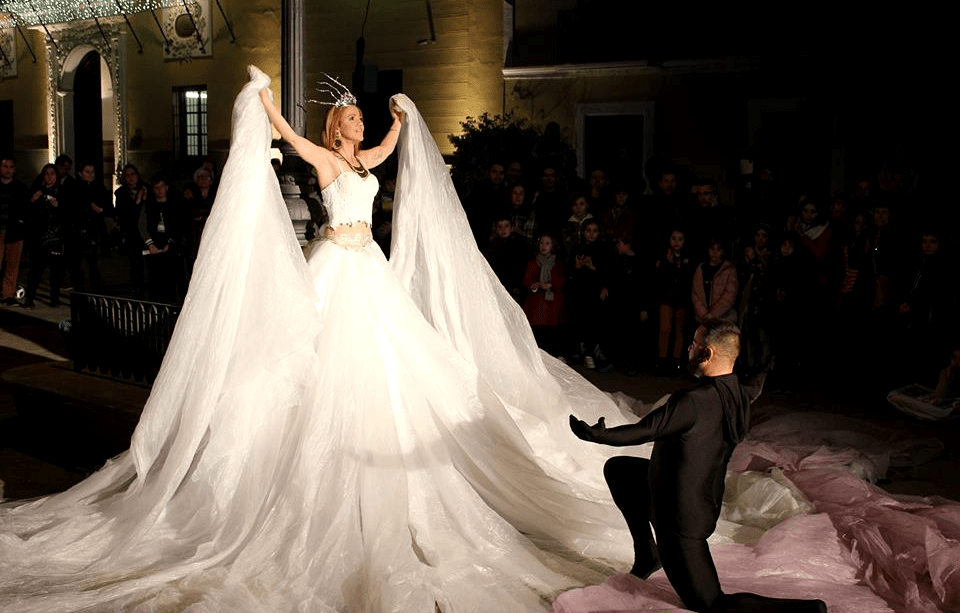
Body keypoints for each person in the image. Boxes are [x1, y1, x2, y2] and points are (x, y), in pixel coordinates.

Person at [1, 66, 645, 612]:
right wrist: (268, 108)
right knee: (321, 366)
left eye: (364, 122)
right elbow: (286, 138)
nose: (361, 126)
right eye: (356, 120)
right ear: (338, 125)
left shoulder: (367, 158)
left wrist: (402, 117)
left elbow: (392, 150)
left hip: (371, 268)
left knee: (401, 368)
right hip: (337, 265)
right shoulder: (323, 156)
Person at [569, 319, 827, 613]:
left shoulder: (692, 401)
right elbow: (754, 381)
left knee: (712, 603)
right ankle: (647, 554)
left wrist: (597, 435)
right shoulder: (740, 396)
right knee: (620, 469)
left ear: (709, 353)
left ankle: (807, 610)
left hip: (680, 520)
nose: (688, 348)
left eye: (694, 343)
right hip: (698, 500)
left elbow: (644, 430)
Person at [0, 155, 29, 304]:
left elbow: (26, 208)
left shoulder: (20, 187)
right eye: (5, 167)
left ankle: (8, 294)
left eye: (11, 167)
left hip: (14, 231)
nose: (8, 170)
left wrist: (21, 222)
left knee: (12, 265)